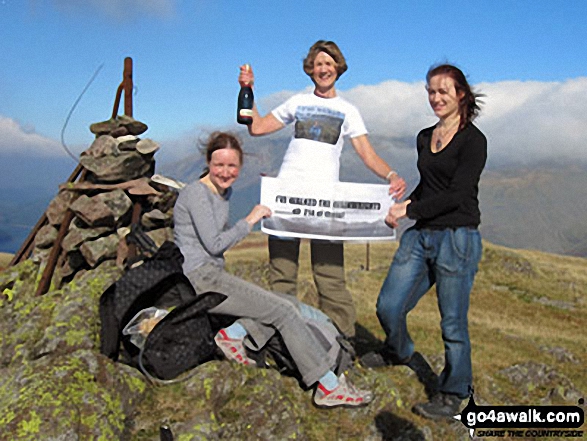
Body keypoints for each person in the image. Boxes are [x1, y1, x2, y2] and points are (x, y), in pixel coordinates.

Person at [173, 131, 373, 408]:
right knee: (282, 312)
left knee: (287, 301)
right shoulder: (197, 193)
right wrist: (250, 220)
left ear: (240, 167)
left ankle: (234, 335)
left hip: (213, 275)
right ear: (208, 162)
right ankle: (327, 386)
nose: (225, 172)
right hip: (201, 279)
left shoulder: (221, 192)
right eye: (219, 165)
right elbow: (214, 244)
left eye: (232, 166)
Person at [238, 40, 406, 340]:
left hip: (326, 202)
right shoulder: (297, 102)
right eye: (318, 63)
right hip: (286, 197)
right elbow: (258, 127)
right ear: (310, 69)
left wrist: (391, 174)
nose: (323, 68)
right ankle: (280, 337)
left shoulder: (348, 110)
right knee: (282, 274)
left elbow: (367, 154)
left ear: (338, 68)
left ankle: (340, 340)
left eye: (328, 63)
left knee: (329, 277)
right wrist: (248, 90)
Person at [363, 64, 487, 419]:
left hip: (456, 238)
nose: (436, 98)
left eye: (443, 91)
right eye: (431, 91)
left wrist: (408, 209)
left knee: (452, 324)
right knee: (388, 305)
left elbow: (457, 195)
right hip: (421, 236)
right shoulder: (424, 136)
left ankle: (453, 392)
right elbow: (430, 187)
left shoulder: (474, 141)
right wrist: (402, 205)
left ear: (461, 94)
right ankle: (398, 350)